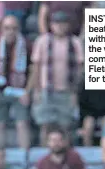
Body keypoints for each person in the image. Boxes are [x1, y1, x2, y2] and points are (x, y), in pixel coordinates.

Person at [0, 15, 33, 150]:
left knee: (22, 124)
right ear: (1, 29)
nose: (10, 31)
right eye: (7, 28)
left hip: (20, 91)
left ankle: (24, 157)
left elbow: (35, 70)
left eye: (14, 28)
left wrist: (28, 91)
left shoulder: (26, 45)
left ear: (19, 29)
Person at [32, 11, 83, 146]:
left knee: (65, 125)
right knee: (45, 125)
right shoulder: (42, 41)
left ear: (68, 26)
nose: (60, 27)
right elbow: (36, 67)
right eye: (57, 24)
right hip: (45, 89)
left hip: (66, 91)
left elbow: (79, 69)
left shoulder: (75, 42)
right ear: (51, 25)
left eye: (63, 24)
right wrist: (36, 89)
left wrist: (74, 92)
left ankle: (65, 154)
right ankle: (44, 154)